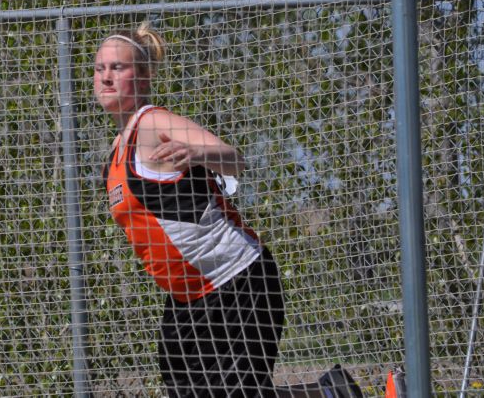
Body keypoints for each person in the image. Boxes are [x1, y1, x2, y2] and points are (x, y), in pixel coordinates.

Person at [95, 22, 364, 398]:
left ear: (142, 77)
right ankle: (330, 393)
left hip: (236, 281)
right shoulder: (116, 150)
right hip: (187, 299)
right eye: (99, 68)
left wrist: (197, 153)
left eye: (117, 68)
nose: (106, 77)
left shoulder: (153, 123)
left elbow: (235, 160)